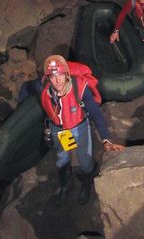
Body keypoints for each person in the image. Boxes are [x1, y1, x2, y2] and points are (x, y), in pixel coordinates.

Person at [33, 54, 124, 206]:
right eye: (53, 76)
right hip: (60, 129)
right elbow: (29, 87)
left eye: (60, 75)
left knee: (85, 159)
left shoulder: (80, 88)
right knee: (62, 159)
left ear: (66, 74)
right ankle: (65, 183)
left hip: (79, 127)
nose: (57, 80)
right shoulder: (44, 89)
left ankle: (86, 184)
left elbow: (96, 114)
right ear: (48, 78)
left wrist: (106, 140)